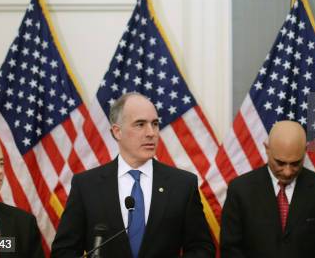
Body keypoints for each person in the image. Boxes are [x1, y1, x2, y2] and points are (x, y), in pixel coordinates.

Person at [51, 92, 214, 258]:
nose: (151, 132)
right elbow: (64, 251)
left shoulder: (183, 185)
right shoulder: (86, 186)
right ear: (117, 132)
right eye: (140, 124)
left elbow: (201, 248)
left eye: (155, 124)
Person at [220, 120, 315, 258]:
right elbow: (230, 249)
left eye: (295, 163)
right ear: (267, 148)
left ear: (305, 150)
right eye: (280, 163)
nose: (287, 172)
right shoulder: (240, 190)